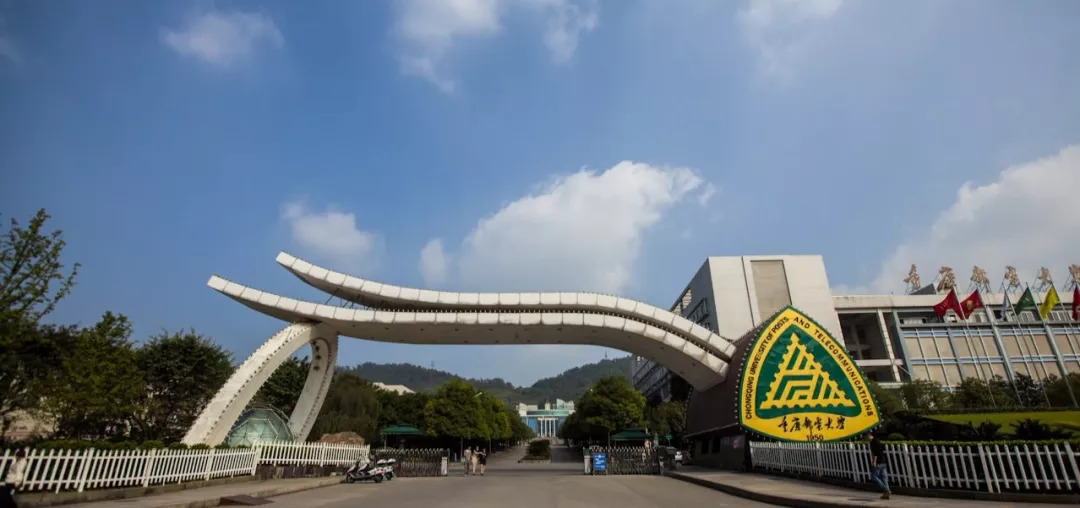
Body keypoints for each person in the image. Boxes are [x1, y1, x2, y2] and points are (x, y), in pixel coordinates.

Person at [867, 433, 890, 500]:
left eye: (867, 437)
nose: (866, 439)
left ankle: (886, 490)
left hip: (878, 462)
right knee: (884, 478)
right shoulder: (878, 440)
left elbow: (875, 453)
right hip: (883, 461)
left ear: (870, 435)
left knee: (874, 477)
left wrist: (874, 462)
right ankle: (886, 495)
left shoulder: (873, 442)